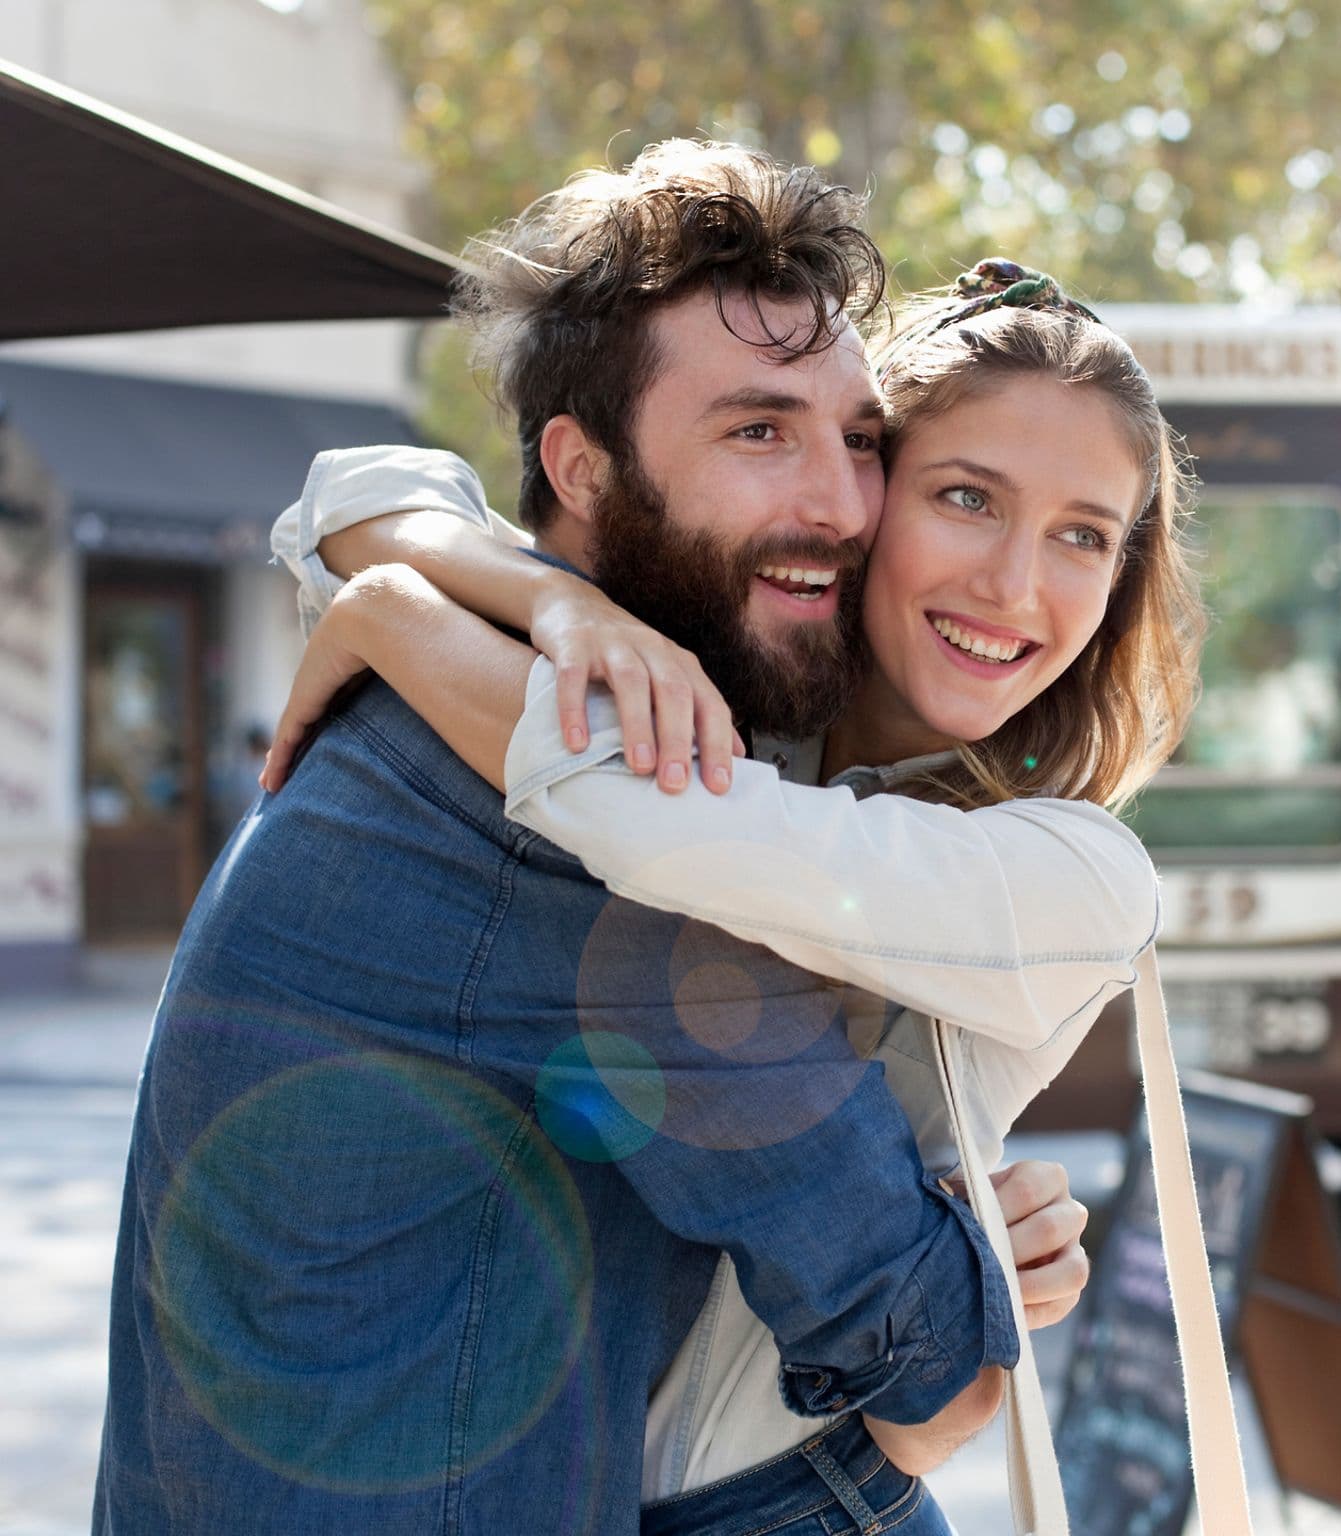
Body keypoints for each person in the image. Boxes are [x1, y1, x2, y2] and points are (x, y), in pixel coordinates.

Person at [93, 144, 1080, 1536]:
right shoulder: (605, 838)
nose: (845, 506)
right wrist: (987, 1267)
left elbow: (376, 493)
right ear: (587, 471)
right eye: (758, 432)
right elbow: (934, 1378)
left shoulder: (469, 695)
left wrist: (426, 595)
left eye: (857, 439)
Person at [259, 260, 1211, 1532]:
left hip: (799, 1495)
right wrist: (523, 591)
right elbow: (366, 483)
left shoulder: (1076, 874)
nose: (1014, 585)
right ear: (861, 500)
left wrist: (393, 612)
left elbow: (645, 819)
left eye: (1083, 535)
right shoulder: (749, 720)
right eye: (966, 497)